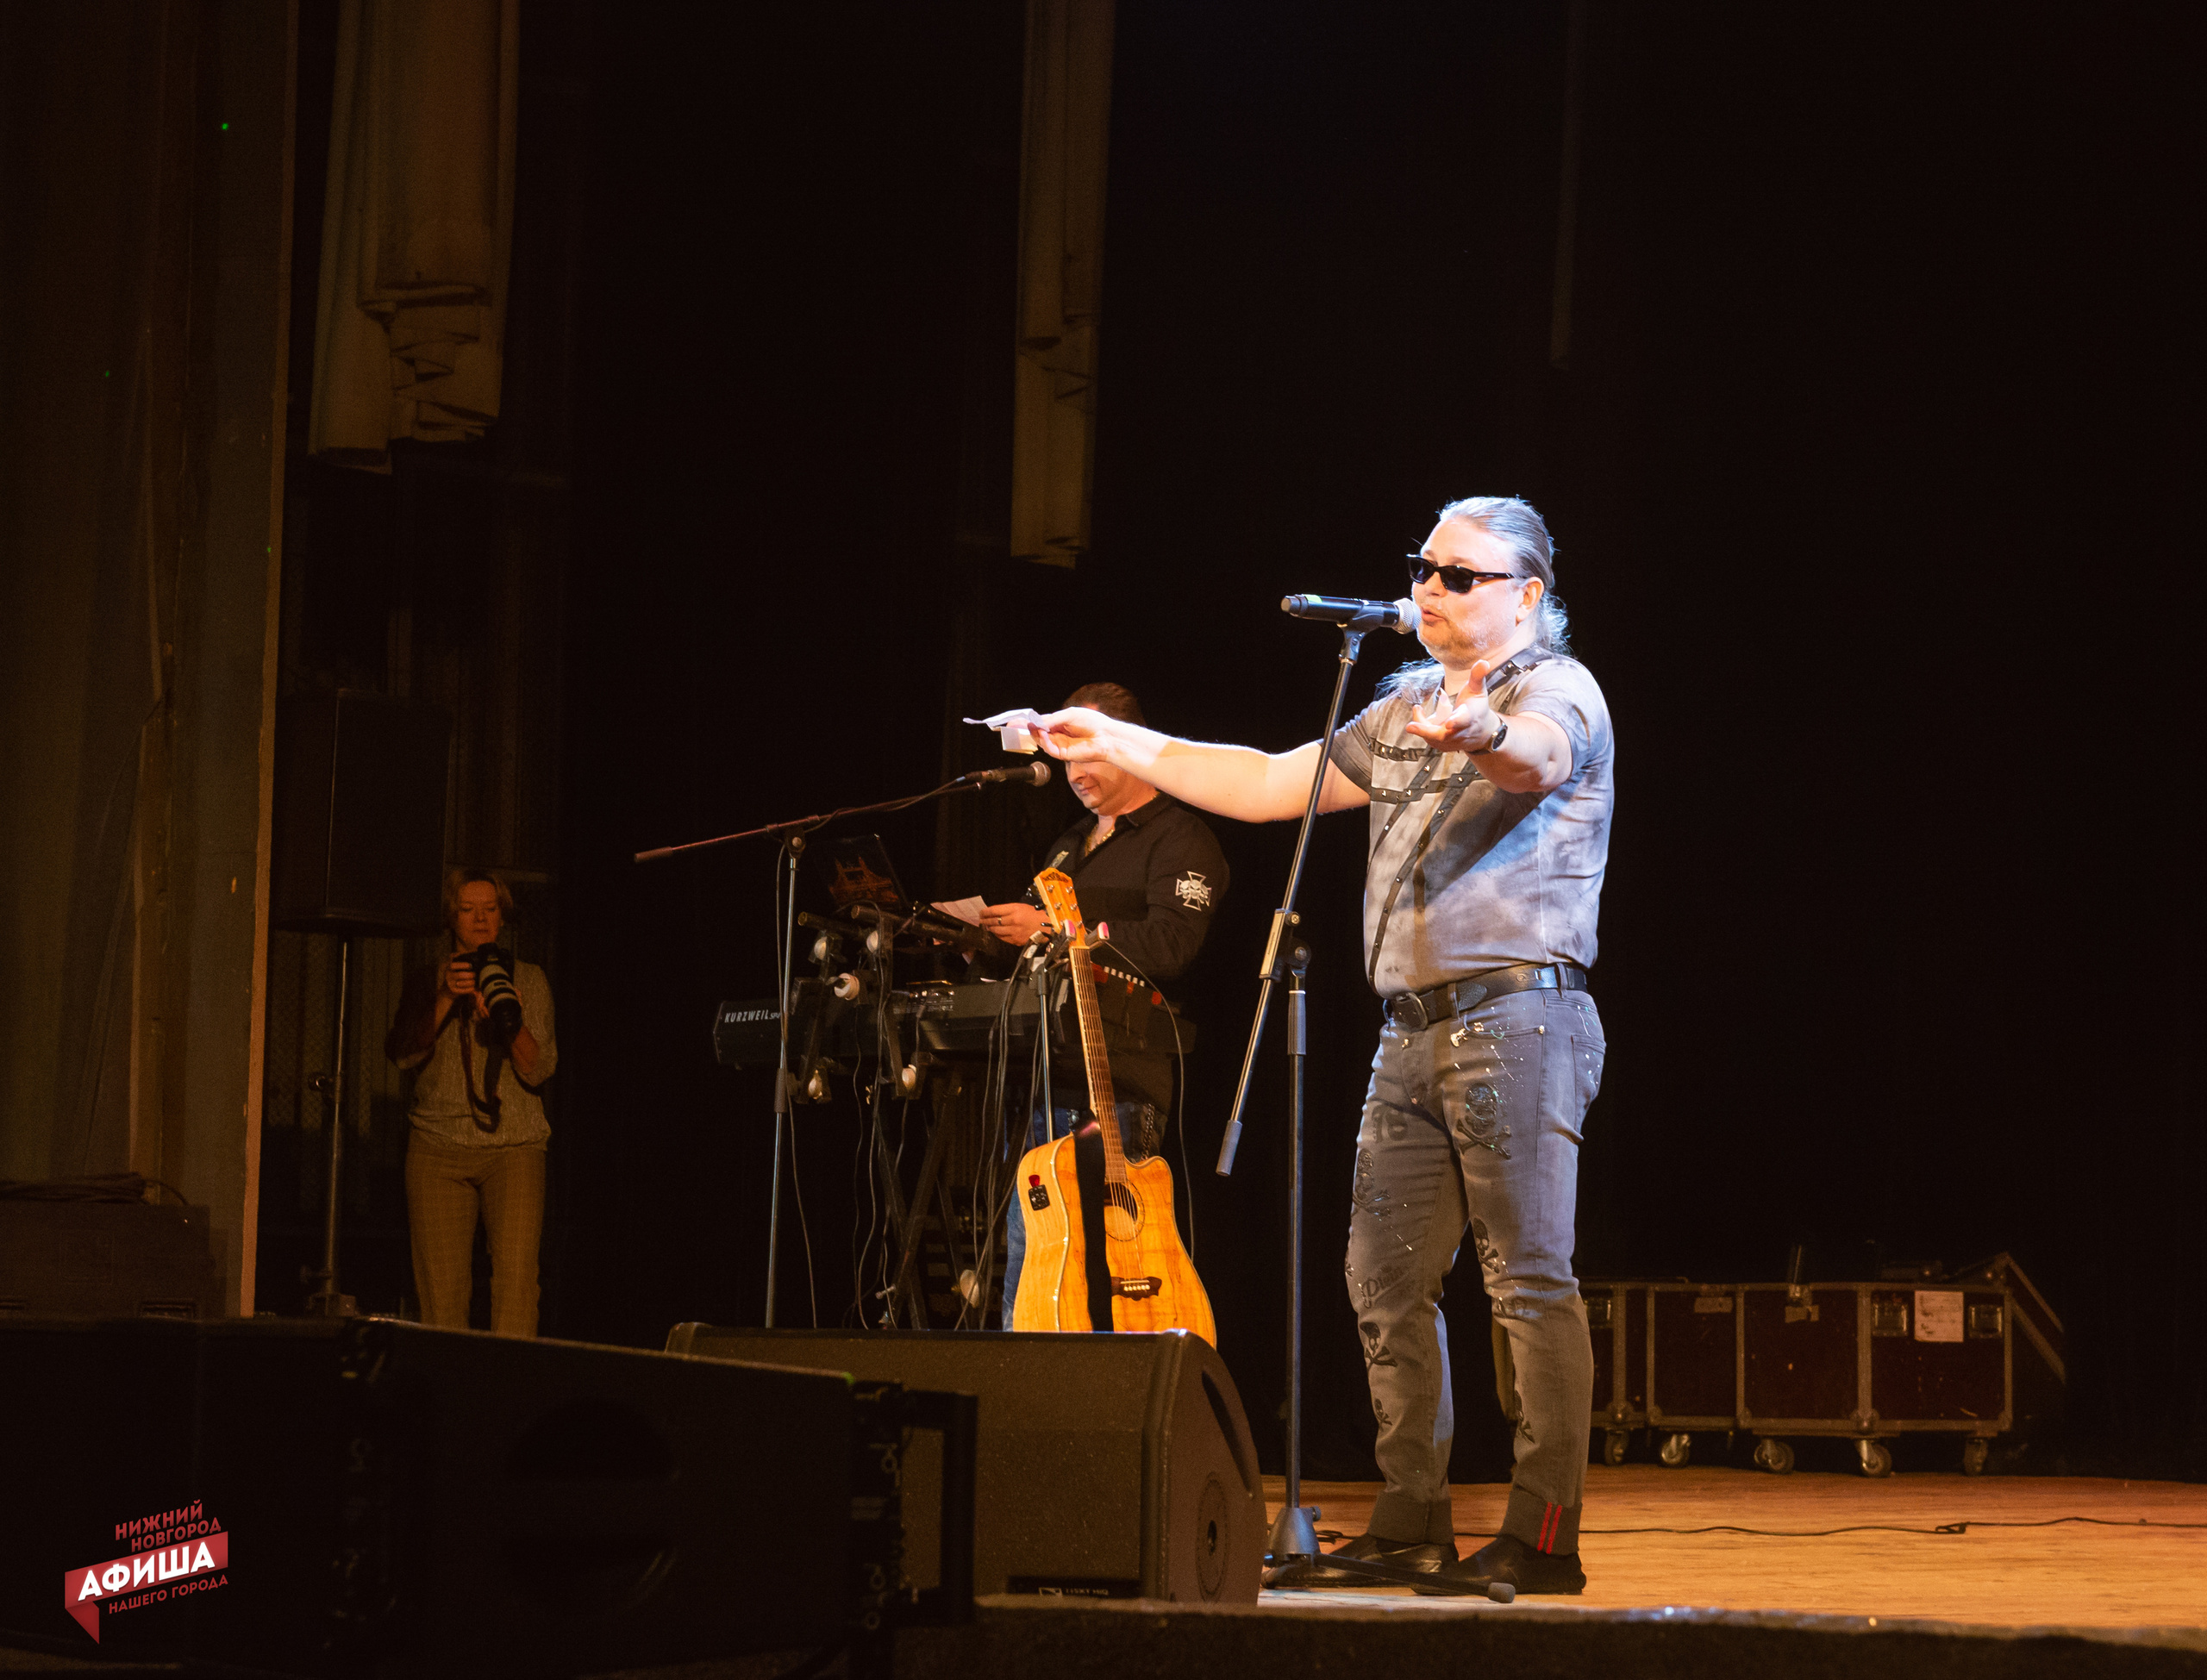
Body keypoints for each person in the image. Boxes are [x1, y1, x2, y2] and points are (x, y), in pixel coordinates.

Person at [1002, 498, 1611, 1596]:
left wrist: (1479, 731)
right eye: (1423, 567)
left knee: (1524, 1280)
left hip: (1519, 1019)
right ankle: (1410, 1514)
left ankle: (1543, 1528)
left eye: (1459, 573)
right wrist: (1117, 739)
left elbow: (1537, 757)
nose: (1430, 586)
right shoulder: (1402, 707)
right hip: (1409, 1032)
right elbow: (1266, 782)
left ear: (1525, 593)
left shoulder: (1555, 690)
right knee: (1379, 1278)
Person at [984, 681, 1229, 1327]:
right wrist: (980, 940)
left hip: (1119, 1084)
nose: (1075, 773)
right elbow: (1045, 956)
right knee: (1034, 1270)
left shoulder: (1181, 838)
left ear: (1129, 746)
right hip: (1046, 1083)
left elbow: (1172, 944)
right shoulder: (1066, 847)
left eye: (1087, 754)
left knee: (1113, 1273)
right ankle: (1026, 1404)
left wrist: (1068, 933)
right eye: (1066, 760)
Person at [385, 867, 558, 1337]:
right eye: (468, 910)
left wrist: (509, 1021)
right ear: (451, 919)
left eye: (490, 909)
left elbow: (540, 1069)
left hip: (515, 1148)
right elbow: (403, 1055)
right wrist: (445, 997)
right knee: (441, 1298)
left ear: (502, 917)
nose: (480, 920)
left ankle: (509, 1398)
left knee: (517, 1291)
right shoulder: (426, 978)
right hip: (438, 1148)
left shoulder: (530, 979)